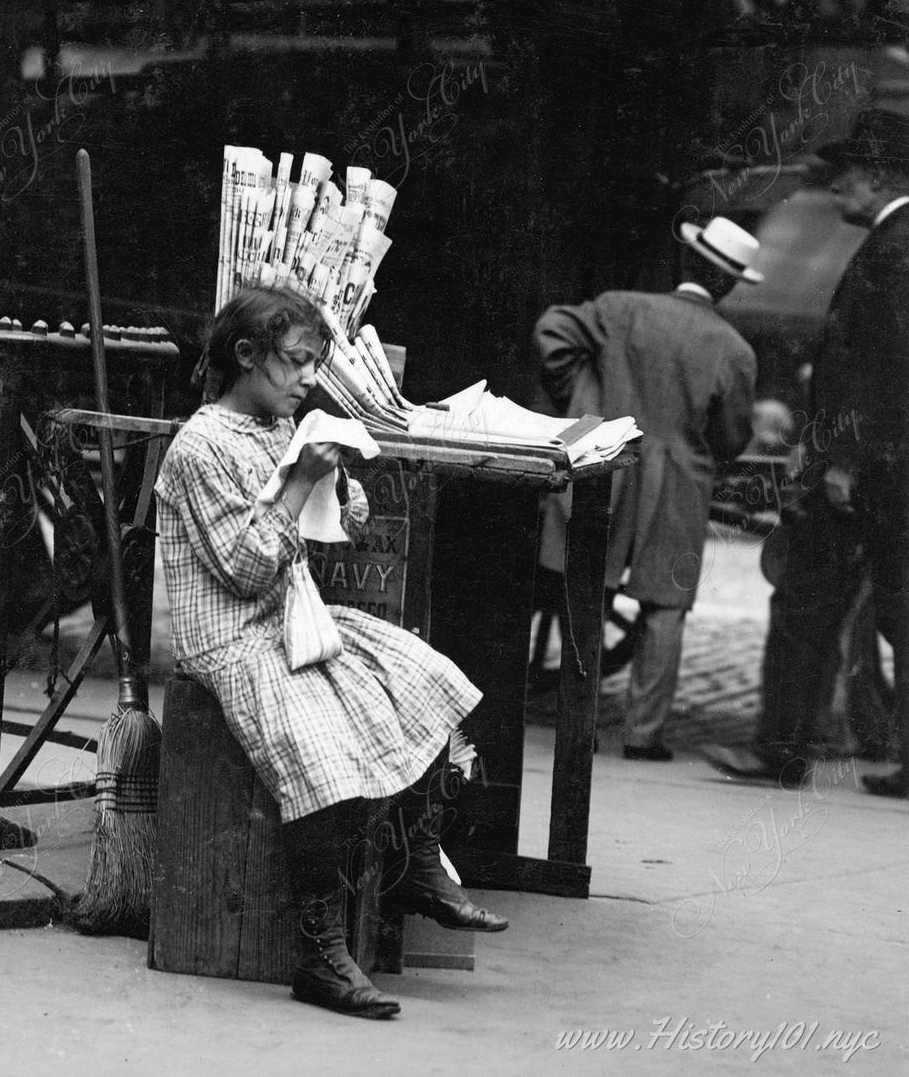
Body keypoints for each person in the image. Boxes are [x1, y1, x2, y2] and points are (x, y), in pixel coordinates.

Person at [154, 285, 508, 1021]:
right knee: (318, 752)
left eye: (315, 363)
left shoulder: (275, 425)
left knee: (426, 680)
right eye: (297, 363)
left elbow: (347, 520)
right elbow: (246, 569)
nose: (309, 378)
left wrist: (336, 473)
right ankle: (321, 953)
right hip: (231, 638)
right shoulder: (201, 446)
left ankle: (412, 863)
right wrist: (302, 479)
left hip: (293, 617)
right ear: (246, 358)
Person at [712, 108, 909, 798]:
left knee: (805, 604)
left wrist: (845, 460)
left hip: (866, 472)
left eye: (848, 176)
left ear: (881, 175)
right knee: (893, 611)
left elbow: (886, 369)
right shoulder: (892, 241)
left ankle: (783, 750)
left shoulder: (896, 246)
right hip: (885, 469)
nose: (836, 191)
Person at [534, 217, 759, 761]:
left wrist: (584, 397)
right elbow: (731, 437)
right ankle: (644, 735)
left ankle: (578, 720)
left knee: (589, 587)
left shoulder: (620, 308)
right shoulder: (734, 349)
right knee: (665, 606)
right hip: (680, 481)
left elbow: (552, 333)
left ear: (686, 264)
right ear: (728, 284)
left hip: (606, 461)